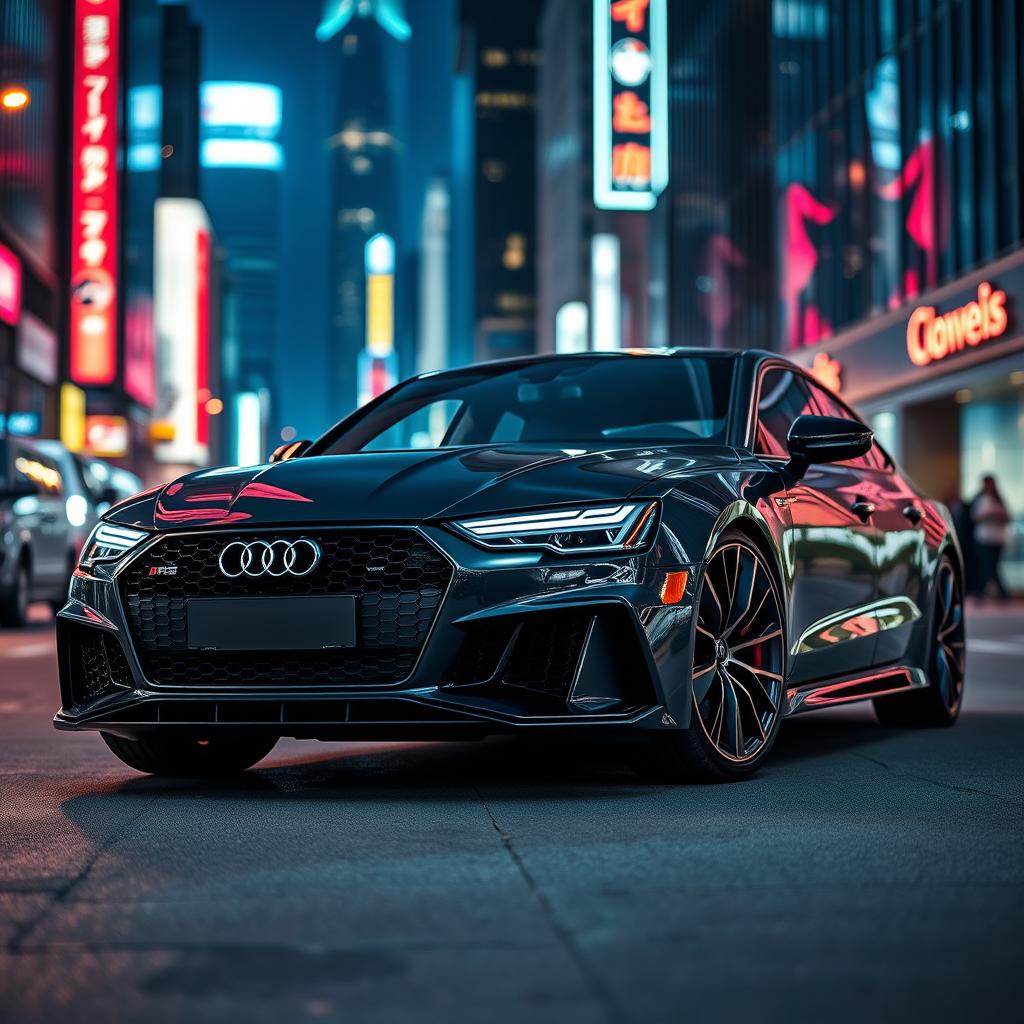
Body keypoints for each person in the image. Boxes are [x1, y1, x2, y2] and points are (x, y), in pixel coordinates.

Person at [972, 475, 1011, 602]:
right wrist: (987, 515)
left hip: (997, 538)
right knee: (988, 567)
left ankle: (981, 593)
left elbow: (1008, 518)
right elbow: (973, 517)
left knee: (992, 567)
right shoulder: (979, 499)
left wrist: (998, 515)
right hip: (984, 538)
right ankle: (997, 594)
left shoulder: (999, 500)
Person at [944, 487, 977, 597]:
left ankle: (969, 590)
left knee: (967, 566)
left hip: (966, 542)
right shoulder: (945, 507)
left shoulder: (966, 506)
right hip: (953, 540)